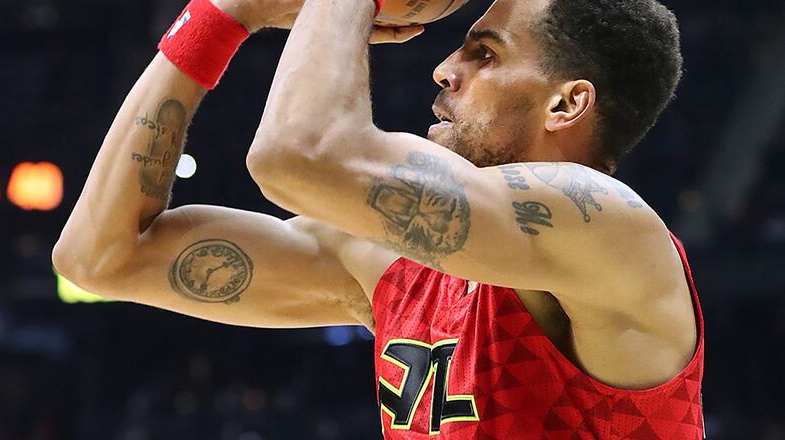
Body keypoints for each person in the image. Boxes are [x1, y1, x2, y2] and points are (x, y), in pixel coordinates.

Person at [53, 0, 705, 437]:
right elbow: (101, 256)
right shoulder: (398, 261)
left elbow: (298, 155)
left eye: (485, 54)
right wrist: (218, 18)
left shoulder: (611, 228)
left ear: (566, 103)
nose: (445, 68)